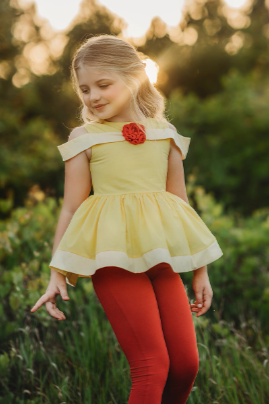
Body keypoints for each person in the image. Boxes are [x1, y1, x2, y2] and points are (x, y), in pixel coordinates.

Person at [30, 34, 223, 403]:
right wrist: (57, 271)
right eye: (85, 89)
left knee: (184, 367)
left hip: (161, 260)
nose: (93, 96)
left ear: (135, 79)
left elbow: (180, 204)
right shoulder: (85, 138)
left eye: (103, 84)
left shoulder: (165, 134)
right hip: (115, 262)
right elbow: (71, 207)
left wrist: (201, 269)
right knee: (152, 366)